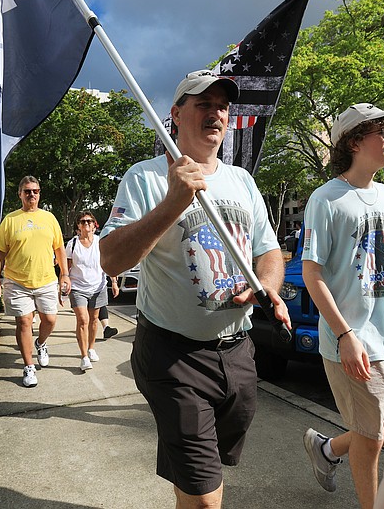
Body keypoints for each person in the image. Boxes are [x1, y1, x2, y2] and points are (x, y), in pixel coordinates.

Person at [100, 70, 290, 509]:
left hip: (239, 353)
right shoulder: (146, 177)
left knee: (205, 471)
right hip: (173, 354)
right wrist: (173, 201)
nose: (216, 113)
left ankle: (188, 477)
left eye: (222, 105)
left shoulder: (243, 181)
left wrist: (267, 284)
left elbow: (269, 251)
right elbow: (111, 259)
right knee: (206, 496)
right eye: (203, 104)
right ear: (176, 114)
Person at [300, 104, 384, 508]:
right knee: (372, 443)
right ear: (355, 142)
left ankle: (326, 449)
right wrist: (345, 335)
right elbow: (311, 274)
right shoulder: (326, 199)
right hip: (354, 342)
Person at [0, 176, 70, 388]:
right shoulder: (10, 220)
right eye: (27, 191)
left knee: (50, 320)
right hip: (17, 282)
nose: (31, 194)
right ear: (20, 194)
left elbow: (59, 249)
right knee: (24, 322)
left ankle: (41, 343)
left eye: (35, 191)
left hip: (45, 280)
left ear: (39, 193)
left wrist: (65, 274)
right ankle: (28, 366)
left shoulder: (49, 218)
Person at [65, 211, 119, 372]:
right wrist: (63, 285)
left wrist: (114, 282)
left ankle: (91, 348)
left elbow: (109, 263)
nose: (86, 224)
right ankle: (84, 357)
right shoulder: (72, 244)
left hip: (98, 286)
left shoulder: (100, 242)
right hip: (78, 288)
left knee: (94, 320)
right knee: (83, 320)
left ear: (94, 225)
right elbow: (66, 268)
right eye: (83, 221)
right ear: (79, 226)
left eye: (89, 221)